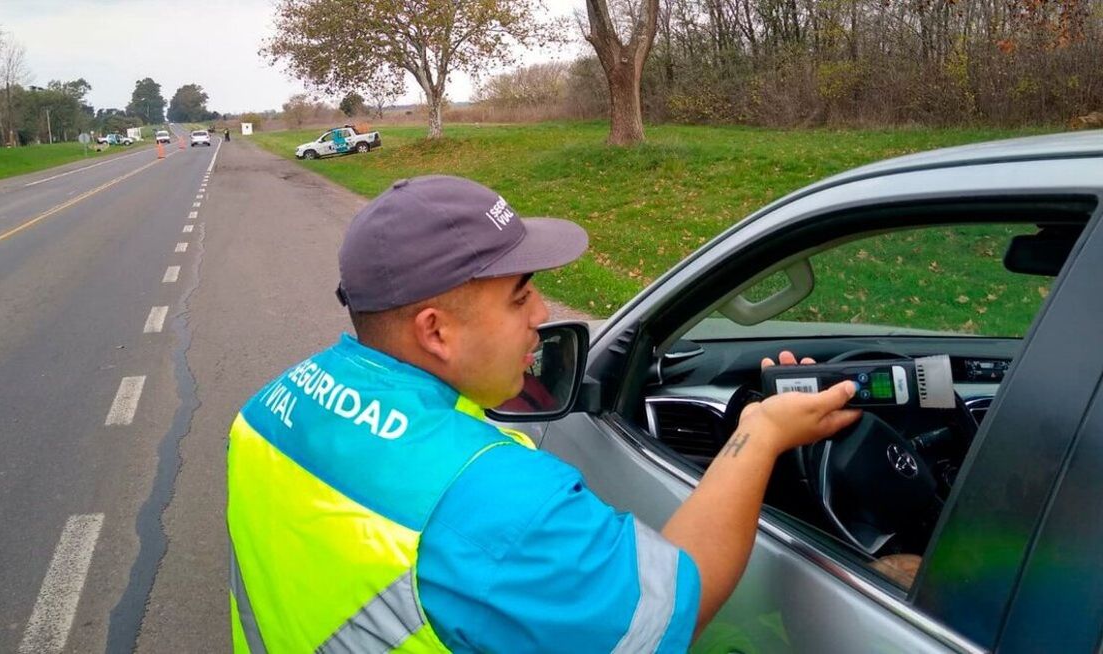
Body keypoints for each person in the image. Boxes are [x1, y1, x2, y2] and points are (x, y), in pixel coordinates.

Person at [226, 175, 860, 653]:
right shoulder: (496, 501)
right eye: (520, 296)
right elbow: (670, 608)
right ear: (436, 332)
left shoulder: (265, 411)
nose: (542, 316)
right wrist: (761, 433)